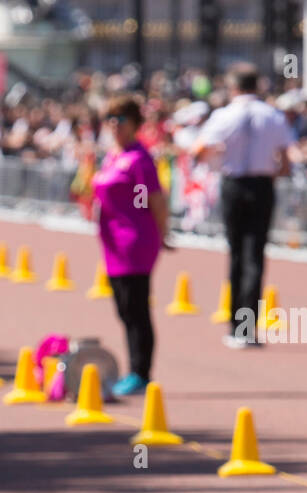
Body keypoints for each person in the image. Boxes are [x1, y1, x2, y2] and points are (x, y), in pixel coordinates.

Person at [191, 64, 296, 348]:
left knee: (236, 254)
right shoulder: (272, 116)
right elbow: (286, 162)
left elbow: (198, 150)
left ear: (234, 87)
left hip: (234, 184)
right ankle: (247, 329)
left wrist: (219, 158)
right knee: (255, 256)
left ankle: (236, 325)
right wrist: (269, 172)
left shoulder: (224, 115)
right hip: (261, 186)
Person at [92, 95, 171, 396]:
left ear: (135, 124)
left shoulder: (139, 160)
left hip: (135, 241)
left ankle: (141, 372)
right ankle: (135, 368)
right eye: (109, 120)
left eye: (120, 120)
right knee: (123, 308)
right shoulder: (113, 155)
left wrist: (161, 233)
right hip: (112, 242)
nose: (114, 126)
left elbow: (156, 200)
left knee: (136, 308)